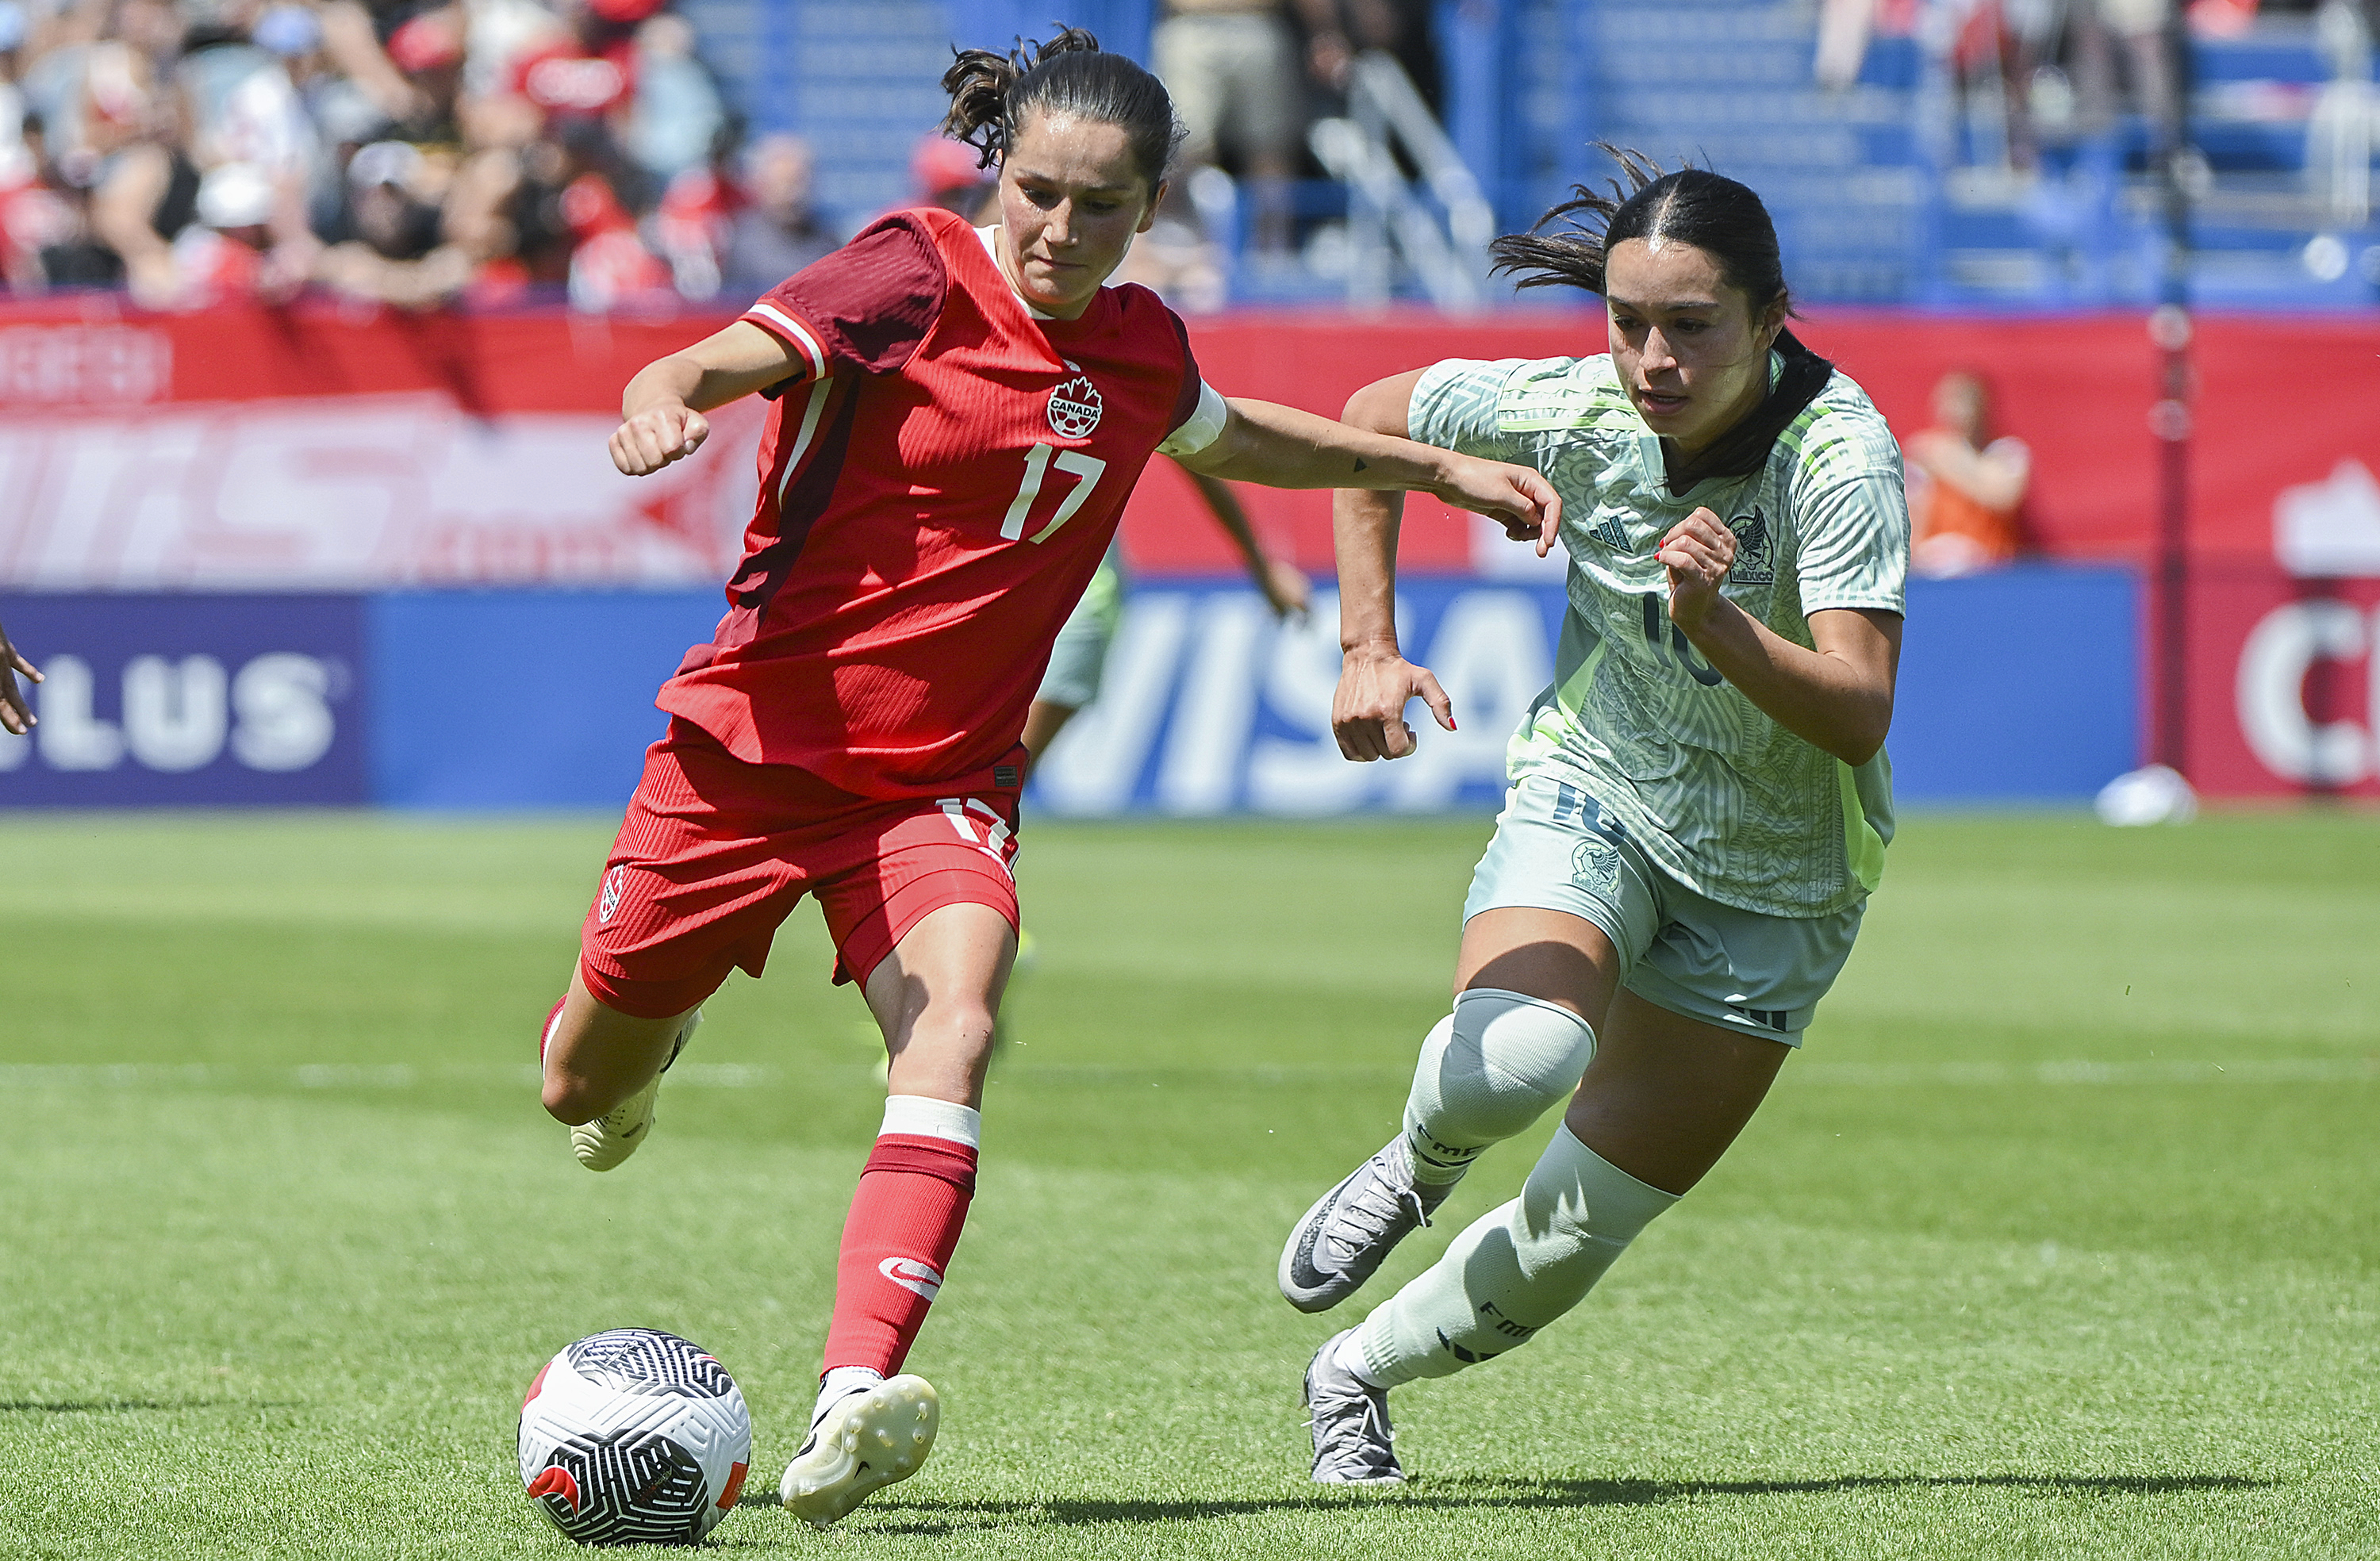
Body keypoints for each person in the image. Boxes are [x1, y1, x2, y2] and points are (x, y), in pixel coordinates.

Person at [536, 28, 1560, 1531]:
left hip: (936, 782)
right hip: (746, 753)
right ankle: (652, 1033)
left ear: (1148, 212)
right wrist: (666, 394)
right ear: (994, 174)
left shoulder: (1139, 345)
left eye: (1100, 206)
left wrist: (1428, 468)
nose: (1061, 231)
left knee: (956, 1019)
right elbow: (714, 354)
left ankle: (851, 1398)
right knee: (582, 1077)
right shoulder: (905, 275)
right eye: (1038, 193)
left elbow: (1231, 436)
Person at [1277, 151, 1909, 1484]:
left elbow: (1857, 710)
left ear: (1770, 314)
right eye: (1628, 321)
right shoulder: (1572, 405)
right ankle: (1418, 1158)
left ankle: (1353, 1375)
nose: (1651, 359)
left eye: (1692, 325)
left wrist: (1714, 620)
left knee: (1576, 1227)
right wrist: (1367, 644)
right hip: (1598, 792)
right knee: (1516, 1060)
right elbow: (1367, 420)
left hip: (1779, 882)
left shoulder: (1838, 455)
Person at [1903, 368, 2029, 577]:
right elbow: (1911, 523)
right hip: (1935, 571)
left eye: (1965, 402)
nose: (1957, 412)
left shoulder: (2006, 453)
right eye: (1949, 402)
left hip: (1991, 571)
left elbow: (2004, 497)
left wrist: (1948, 459)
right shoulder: (1923, 458)